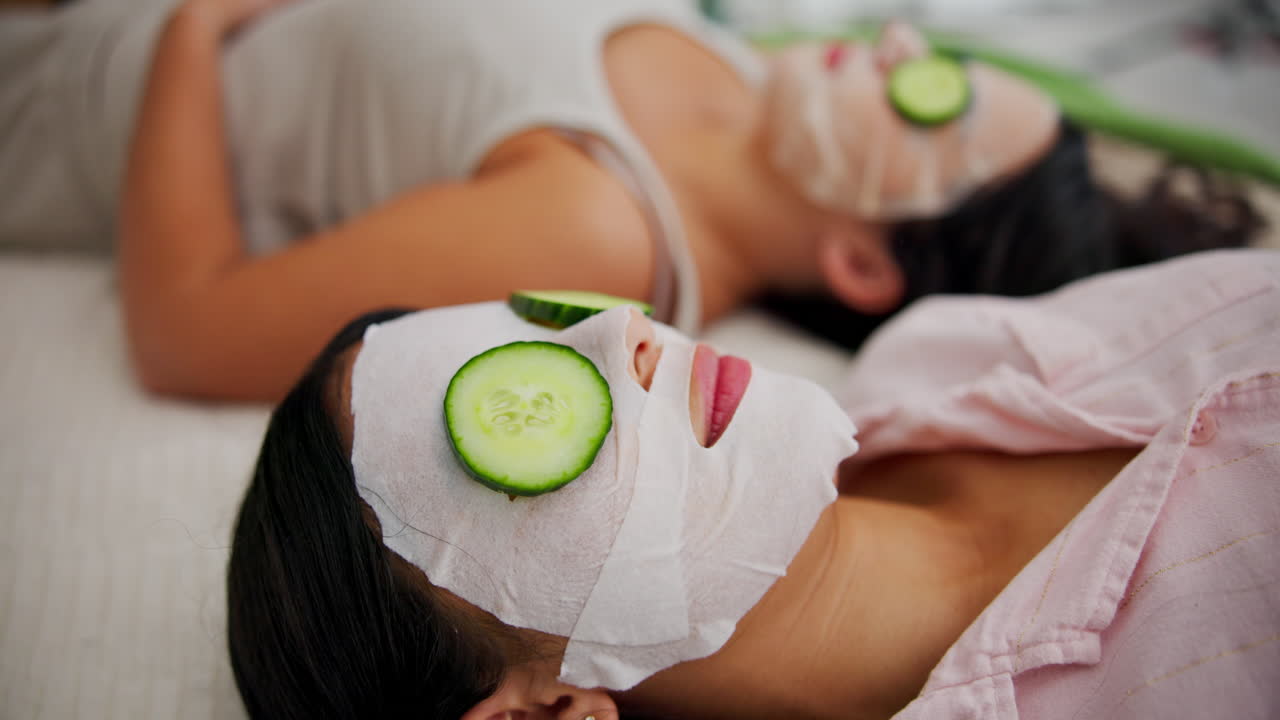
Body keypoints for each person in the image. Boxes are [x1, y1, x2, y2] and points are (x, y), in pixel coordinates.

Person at [0, 0, 1263, 401]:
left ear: (864, 268)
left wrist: (191, 22)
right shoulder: (728, 65)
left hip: (57, 98)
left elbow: (185, 332)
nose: (887, 45)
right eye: (920, 48)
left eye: (925, 97)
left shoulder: (596, 224)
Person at [226, 248, 1280, 720]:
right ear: (545, 713)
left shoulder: (945, 350)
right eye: (515, 417)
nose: (622, 330)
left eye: (542, 323)